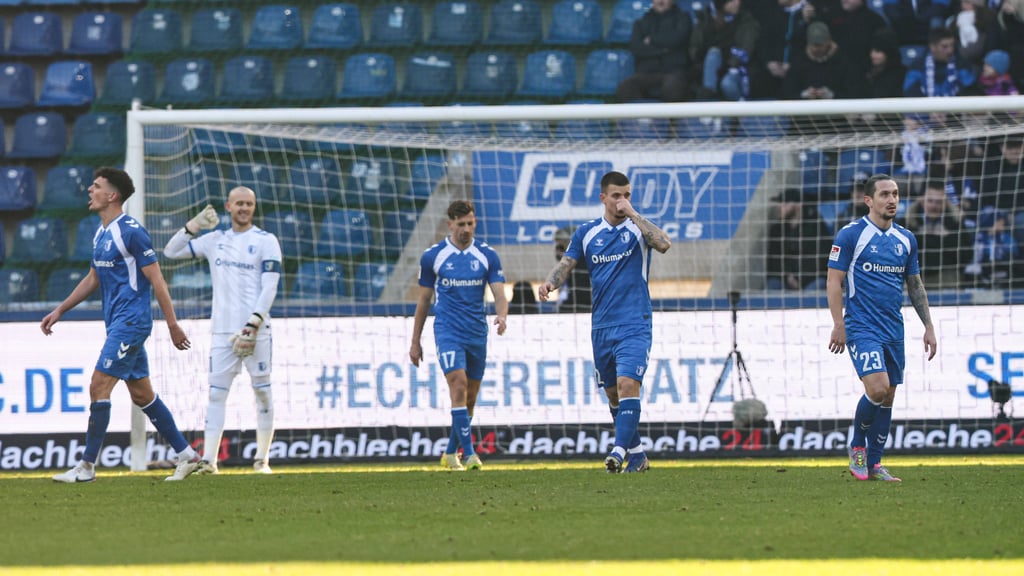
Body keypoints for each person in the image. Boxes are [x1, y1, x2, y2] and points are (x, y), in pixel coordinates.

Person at [41, 167, 202, 483]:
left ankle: (86, 467)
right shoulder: (101, 232)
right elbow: (93, 278)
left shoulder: (131, 232)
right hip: (117, 322)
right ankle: (188, 455)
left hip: (132, 322)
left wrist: (172, 325)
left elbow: (157, 280)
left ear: (112, 196)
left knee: (98, 385)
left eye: (97, 186)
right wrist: (60, 309)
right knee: (143, 395)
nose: (90, 190)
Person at [538, 171, 672, 474]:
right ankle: (638, 456)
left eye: (627, 195)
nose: (622, 201)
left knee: (628, 385)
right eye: (616, 195)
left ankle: (618, 451)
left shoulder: (638, 229)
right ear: (603, 198)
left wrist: (634, 214)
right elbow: (567, 264)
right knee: (612, 393)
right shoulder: (587, 232)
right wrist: (549, 283)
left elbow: (664, 244)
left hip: (635, 322)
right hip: (601, 326)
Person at [163, 186, 282, 474]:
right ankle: (210, 462)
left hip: (257, 330)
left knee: (263, 392)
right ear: (228, 206)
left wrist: (253, 322)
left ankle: (262, 461)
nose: (244, 208)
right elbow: (170, 252)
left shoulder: (266, 241)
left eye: (249, 204)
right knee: (216, 395)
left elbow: (270, 286)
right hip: (222, 332)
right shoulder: (215, 240)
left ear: (254, 208)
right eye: (239, 203)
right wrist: (194, 225)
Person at [827, 174, 937, 483]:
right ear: (869, 200)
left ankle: (875, 464)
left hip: (893, 329)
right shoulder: (851, 235)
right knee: (876, 387)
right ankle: (857, 448)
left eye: (896, 194)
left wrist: (928, 326)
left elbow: (914, 285)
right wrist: (839, 323)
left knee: (887, 396)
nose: (892, 200)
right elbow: (833, 281)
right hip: (861, 326)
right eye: (885, 194)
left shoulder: (906, 239)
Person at [409, 200, 508, 471]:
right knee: (459, 385)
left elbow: (499, 292)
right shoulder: (434, 257)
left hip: (477, 333)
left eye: (470, 223)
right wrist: (415, 341)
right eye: (461, 224)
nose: (466, 229)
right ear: (450, 224)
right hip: (448, 331)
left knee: (470, 397)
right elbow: (424, 301)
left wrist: (502, 315)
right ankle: (470, 454)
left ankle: (450, 452)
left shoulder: (487, 255)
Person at [615, 0, 692, 102]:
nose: (660, 1)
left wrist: (651, 40)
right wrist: (664, 50)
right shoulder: (641, 22)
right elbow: (637, 48)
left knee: (673, 87)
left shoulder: (683, 18)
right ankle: (640, 117)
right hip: (646, 73)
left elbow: (678, 39)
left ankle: (671, 118)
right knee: (625, 88)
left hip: (673, 71)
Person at [765, 188, 833, 291]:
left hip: (811, 279)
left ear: (798, 205)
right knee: (772, 285)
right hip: (786, 280)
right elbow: (773, 262)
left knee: (818, 285)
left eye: (784, 203)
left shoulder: (815, 225)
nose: (780, 207)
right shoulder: (777, 229)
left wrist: (799, 278)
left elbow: (822, 258)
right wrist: (788, 276)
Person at [553, 225, 591, 313]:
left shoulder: (580, 263)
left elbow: (581, 294)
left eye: (561, 245)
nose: (558, 250)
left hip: (582, 305)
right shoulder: (569, 263)